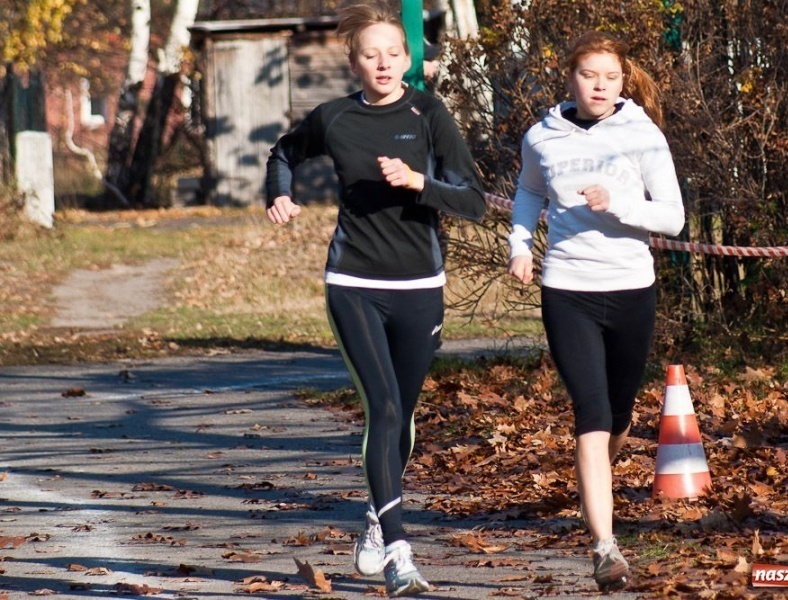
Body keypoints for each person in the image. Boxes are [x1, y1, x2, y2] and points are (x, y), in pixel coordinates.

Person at [265, 2, 485, 596]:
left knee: (403, 419)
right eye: (371, 54)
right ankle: (399, 553)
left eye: (393, 52)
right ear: (355, 63)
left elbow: (474, 201)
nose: (383, 62)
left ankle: (374, 515)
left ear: (408, 59)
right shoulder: (334, 117)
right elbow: (282, 152)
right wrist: (279, 195)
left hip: (420, 286)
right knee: (383, 409)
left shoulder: (429, 112)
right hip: (355, 283)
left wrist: (420, 184)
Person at [507, 31, 685, 590]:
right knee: (591, 412)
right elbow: (528, 193)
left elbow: (674, 218)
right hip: (568, 288)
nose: (601, 85)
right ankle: (606, 546)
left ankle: (594, 483)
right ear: (571, 79)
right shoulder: (542, 136)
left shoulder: (642, 134)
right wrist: (518, 248)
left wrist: (620, 204)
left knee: (619, 412)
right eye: (590, 75)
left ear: (623, 81)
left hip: (631, 286)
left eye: (611, 76)